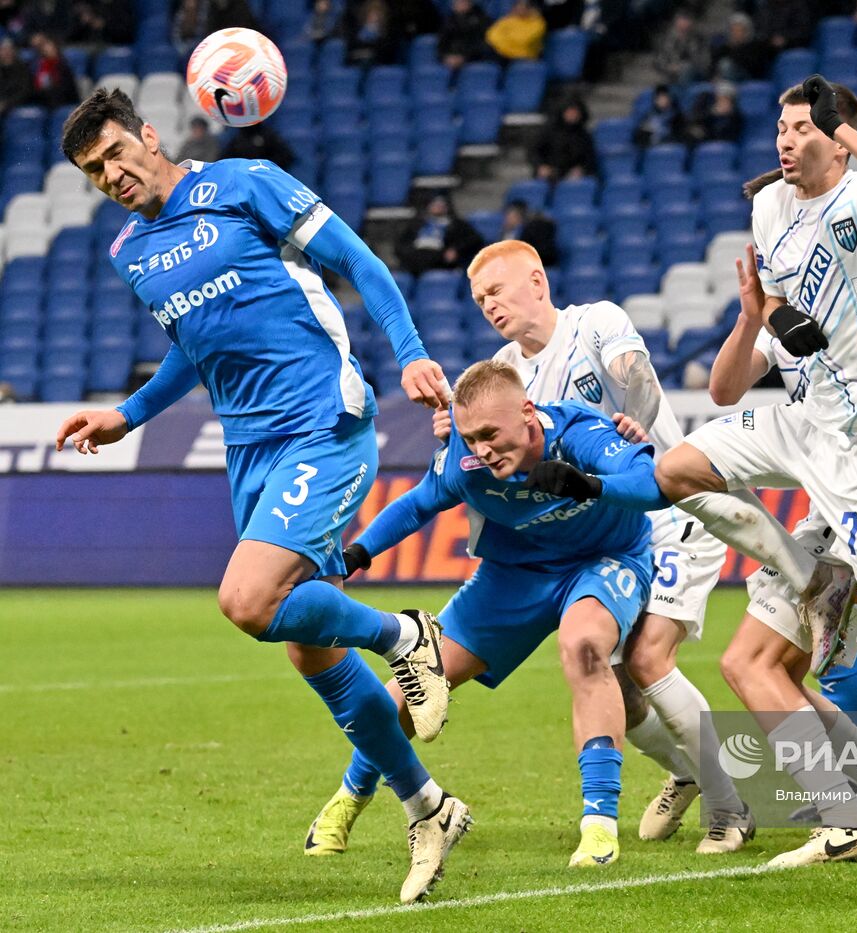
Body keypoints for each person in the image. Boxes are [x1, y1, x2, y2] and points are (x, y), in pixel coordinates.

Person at [54, 88, 465, 904]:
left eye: (112, 155)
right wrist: (127, 414)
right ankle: (429, 806)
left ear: (148, 134)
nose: (109, 176)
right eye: (91, 171)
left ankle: (402, 633)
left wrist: (412, 353)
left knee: (246, 599)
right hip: (250, 451)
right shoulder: (131, 252)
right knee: (306, 646)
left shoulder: (247, 182)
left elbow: (359, 262)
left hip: (323, 420)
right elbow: (192, 348)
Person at [650, 76, 857, 869]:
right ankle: (813, 580)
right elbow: (727, 387)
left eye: (802, 129)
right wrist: (753, 313)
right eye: (781, 129)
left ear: (835, 136)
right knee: (679, 470)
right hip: (804, 428)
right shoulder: (768, 213)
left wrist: (847, 135)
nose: (784, 141)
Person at [312, 361, 668, 868]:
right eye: (470, 436)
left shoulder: (579, 433)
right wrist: (359, 553)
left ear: (528, 413)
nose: (480, 449)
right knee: (421, 679)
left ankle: (599, 826)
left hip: (604, 560)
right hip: (513, 572)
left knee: (585, 647)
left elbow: (651, 483)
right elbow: (417, 505)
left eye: (489, 435)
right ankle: (349, 797)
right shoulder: (465, 459)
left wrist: (588, 484)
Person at [467, 241, 751, 854]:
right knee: (613, 680)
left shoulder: (596, 322)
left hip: (672, 511)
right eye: (479, 299)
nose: (489, 305)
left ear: (537, 281)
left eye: (496, 290)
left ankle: (730, 806)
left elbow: (639, 385)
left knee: (649, 659)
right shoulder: (505, 373)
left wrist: (638, 422)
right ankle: (687, 772)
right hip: (608, 537)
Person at [395, 193, 484, 275]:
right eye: (435, 204)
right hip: (416, 256)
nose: (438, 207)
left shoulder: (456, 224)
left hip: (440, 258)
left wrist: (456, 249)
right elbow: (401, 245)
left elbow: (474, 240)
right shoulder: (417, 224)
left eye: (441, 204)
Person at [531, 98, 597, 181]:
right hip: (550, 173)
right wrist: (540, 166)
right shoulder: (549, 131)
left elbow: (589, 158)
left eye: (575, 112)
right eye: (570, 112)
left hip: (573, 175)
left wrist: (581, 169)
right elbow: (535, 152)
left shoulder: (584, 135)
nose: (573, 115)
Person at [654, 9, 709, 86]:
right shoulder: (666, 40)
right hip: (671, 73)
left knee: (686, 68)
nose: (684, 23)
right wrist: (671, 68)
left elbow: (704, 62)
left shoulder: (699, 39)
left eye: (687, 20)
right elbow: (659, 61)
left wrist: (683, 66)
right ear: (676, 22)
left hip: (695, 73)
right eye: (682, 19)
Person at [712, 13, 770, 82]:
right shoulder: (725, 47)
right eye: (733, 30)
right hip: (725, 77)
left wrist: (736, 48)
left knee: (726, 65)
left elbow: (754, 67)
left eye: (739, 30)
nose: (735, 33)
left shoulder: (755, 46)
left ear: (747, 32)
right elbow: (715, 62)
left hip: (748, 77)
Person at [499, 199, 558, 267]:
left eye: (510, 216)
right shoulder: (504, 233)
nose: (506, 219)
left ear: (519, 217)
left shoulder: (532, 231)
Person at [344, 0, 401, 66]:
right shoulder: (355, 34)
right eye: (371, 14)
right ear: (365, 15)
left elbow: (388, 55)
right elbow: (351, 52)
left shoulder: (388, 37)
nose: (373, 17)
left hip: (380, 64)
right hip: (357, 63)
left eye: (377, 14)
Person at [437, 0, 491, 68]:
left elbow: (482, 45)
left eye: (462, 2)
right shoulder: (449, 21)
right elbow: (441, 44)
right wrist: (445, 57)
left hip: (473, 60)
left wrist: (464, 57)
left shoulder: (482, 20)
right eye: (456, 2)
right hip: (450, 59)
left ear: (469, 3)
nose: (458, 4)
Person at [29, 32, 76, 108]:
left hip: (62, 99)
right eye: (45, 48)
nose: (48, 50)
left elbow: (67, 89)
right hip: (43, 98)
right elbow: (36, 85)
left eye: (51, 47)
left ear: (56, 48)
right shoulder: (40, 65)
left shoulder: (63, 65)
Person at [220, 122, 296, 169]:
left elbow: (287, 157)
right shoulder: (237, 139)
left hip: (267, 179)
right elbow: (223, 161)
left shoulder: (268, 135)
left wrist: (266, 167)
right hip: (245, 180)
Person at [0, 36, 31, 114]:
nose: (7, 52)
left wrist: (6, 103)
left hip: (15, 104)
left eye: (10, 49)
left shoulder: (23, 69)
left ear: (15, 51)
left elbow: (24, 92)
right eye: (3, 49)